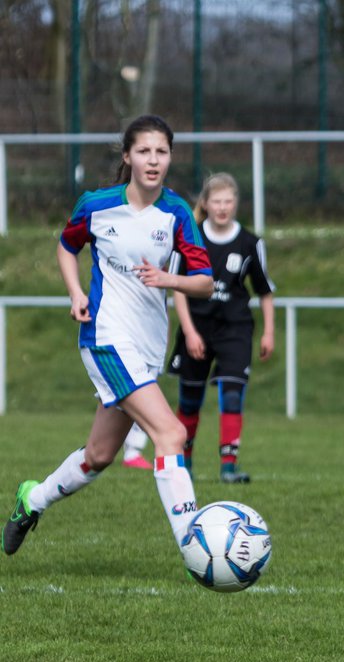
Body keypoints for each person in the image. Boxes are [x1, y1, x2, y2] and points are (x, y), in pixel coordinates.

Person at [3, 115, 213, 557]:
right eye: (144, 151)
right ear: (127, 156)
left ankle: (31, 499)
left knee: (99, 455)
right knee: (171, 433)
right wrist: (76, 291)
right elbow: (66, 245)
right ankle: (198, 550)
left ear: (170, 157)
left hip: (147, 346)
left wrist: (167, 279)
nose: (153, 160)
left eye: (161, 152)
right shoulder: (97, 205)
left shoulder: (176, 212)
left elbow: (204, 282)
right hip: (104, 338)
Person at [167, 172, 277, 483]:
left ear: (236, 204)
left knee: (232, 395)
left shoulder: (250, 243)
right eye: (217, 201)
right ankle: (183, 465)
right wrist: (189, 332)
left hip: (235, 328)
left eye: (228, 201)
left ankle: (229, 466)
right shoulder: (191, 238)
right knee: (190, 399)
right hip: (197, 326)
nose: (223, 207)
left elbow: (264, 291)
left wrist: (268, 332)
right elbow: (177, 288)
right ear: (206, 203)